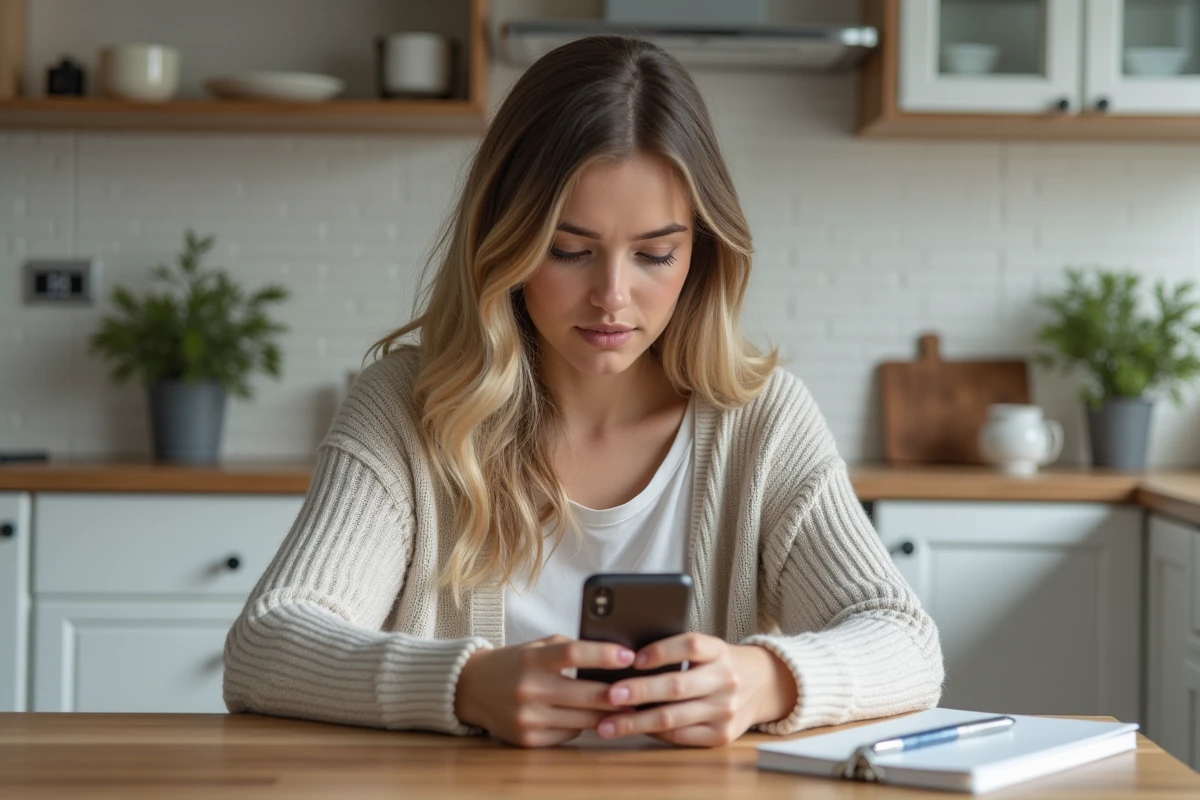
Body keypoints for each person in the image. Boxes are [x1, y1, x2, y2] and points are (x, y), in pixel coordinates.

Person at [223, 35, 943, 749]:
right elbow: (265, 646)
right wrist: (466, 686)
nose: (613, 297)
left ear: (701, 253)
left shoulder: (763, 421)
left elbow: (906, 641)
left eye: (656, 254)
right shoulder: (405, 409)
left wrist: (767, 680)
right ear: (502, 241)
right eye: (570, 251)